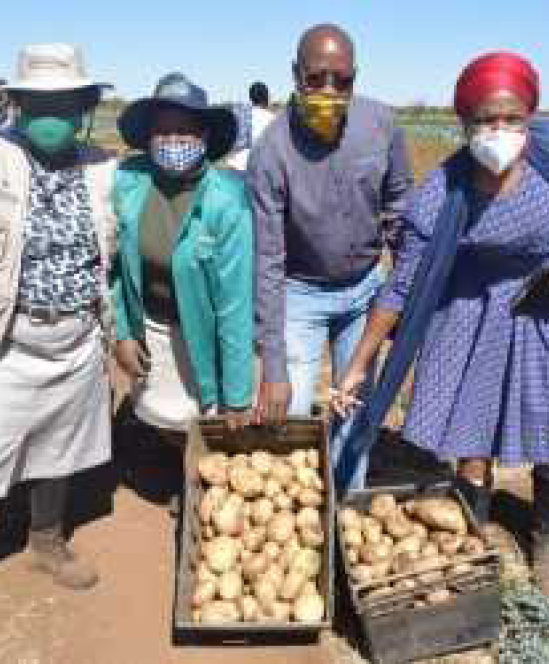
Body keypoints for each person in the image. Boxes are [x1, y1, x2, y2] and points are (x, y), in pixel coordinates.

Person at [331, 52, 549, 593]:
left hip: (540, 306)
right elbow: (401, 285)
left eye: (511, 119)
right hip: (470, 308)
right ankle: (469, 531)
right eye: (485, 120)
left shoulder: (547, 167)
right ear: (464, 123)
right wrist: (359, 364)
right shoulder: (440, 194)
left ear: (530, 117)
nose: (499, 131)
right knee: (473, 425)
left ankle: (545, 540)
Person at [247, 24, 412, 489]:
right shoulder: (271, 152)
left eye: (341, 81)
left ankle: (346, 509)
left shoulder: (381, 125)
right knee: (291, 410)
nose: (327, 91)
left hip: (364, 289)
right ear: (295, 75)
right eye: (315, 79)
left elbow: (399, 210)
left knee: (354, 410)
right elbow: (268, 260)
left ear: (354, 78)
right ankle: (300, 511)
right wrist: (273, 366)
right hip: (300, 292)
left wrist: (401, 296)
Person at [0, 44, 117, 589]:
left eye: (65, 104)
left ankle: (46, 541)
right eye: (39, 104)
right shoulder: (2, 159)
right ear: (18, 105)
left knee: (59, 443)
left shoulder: (100, 168)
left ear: (83, 108)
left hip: (76, 335)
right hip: (13, 340)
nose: (53, 116)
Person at [113, 72, 254, 433]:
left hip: (204, 335)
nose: (173, 140)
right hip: (153, 328)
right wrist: (124, 333)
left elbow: (235, 305)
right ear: (149, 139)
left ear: (204, 137)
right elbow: (114, 271)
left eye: (186, 130)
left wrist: (238, 394)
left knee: (207, 422)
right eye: (163, 131)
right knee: (159, 416)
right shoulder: (130, 185)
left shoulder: (227, 202)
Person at [226, 81, 275, 171]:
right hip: (257, 170)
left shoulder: (240, 114)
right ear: (266, 97)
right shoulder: (272, 119)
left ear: (251, 97)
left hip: (235, 166)